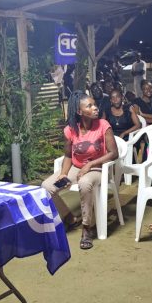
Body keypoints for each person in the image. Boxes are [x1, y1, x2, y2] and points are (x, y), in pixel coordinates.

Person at [41, 92, 118, 250]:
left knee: (84, 183)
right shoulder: (70, 130)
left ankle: (86, 228)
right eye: (89, 106)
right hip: (76, 167)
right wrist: (63, 173)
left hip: (98, 168)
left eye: (94, 104)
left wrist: (89, 165)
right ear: (79, 111)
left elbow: (113, 153)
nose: (95, 108)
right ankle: (70, 218)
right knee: (46, 186)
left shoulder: (103, 125)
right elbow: (69, 155)